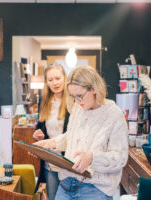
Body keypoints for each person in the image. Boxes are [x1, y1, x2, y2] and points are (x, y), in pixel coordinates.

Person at [35, 66, 128, 200]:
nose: (77, 101)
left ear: (94, 88)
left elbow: (120, 157)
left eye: (80, 96)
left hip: (95, 189)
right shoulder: (78, 109)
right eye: (73, 97)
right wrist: (50, 143)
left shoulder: (114, 115)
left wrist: (91, 158)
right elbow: (70, 136)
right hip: (66, 183)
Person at [33, 64, 70, 200]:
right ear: (46, 82)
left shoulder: (72, 101)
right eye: (50, 80)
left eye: (58, 78)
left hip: (68, 162)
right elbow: (41, 127)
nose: (54, 83)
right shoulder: (44, 101)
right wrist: (39, 134)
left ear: (64, 78)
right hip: (50, 163)